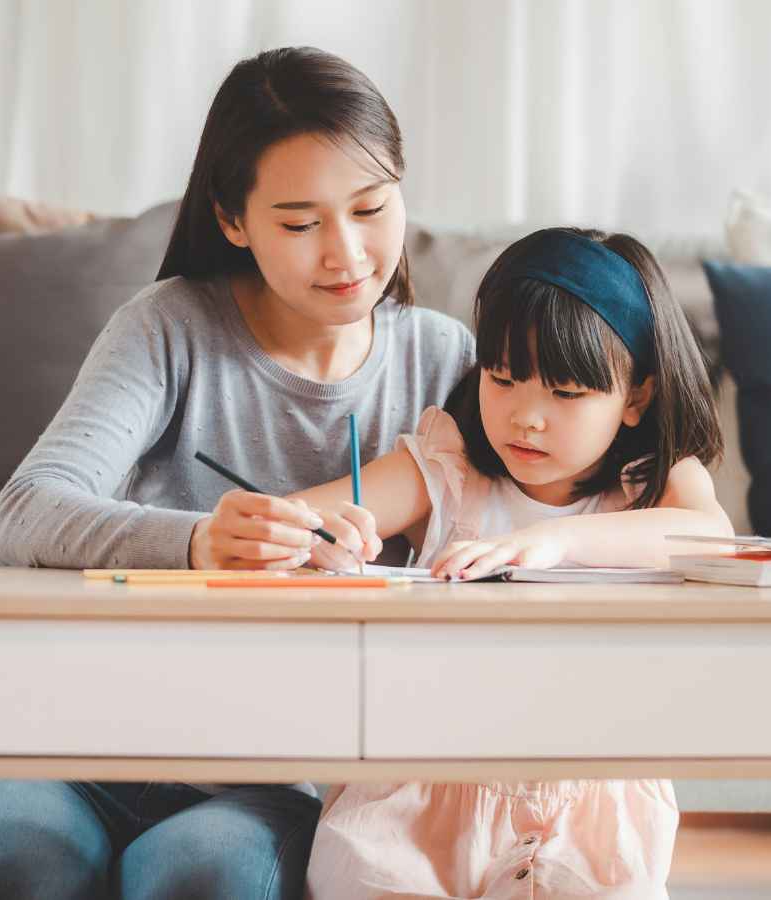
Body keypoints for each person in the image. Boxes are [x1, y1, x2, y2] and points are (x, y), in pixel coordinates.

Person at [0, 46, 473, 900]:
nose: (348, 253)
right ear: (232, 220)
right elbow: (25, 511)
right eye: (300, 223)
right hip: (61, 743)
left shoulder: (445, 361)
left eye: (371, 207)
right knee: (11, 863)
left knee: (208, 878)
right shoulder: (168, 328)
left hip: (265, 775)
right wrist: (198, 543)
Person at [295, 227, 733, 899]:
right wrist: (315, 541)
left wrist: (555, 547)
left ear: (637, 397)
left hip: (589, 811)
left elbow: (712, 537)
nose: (526, 418)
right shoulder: (448, 469)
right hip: (414, 796)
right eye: (503, 379)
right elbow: (290, 520)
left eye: (565, 393)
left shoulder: (652, 484)